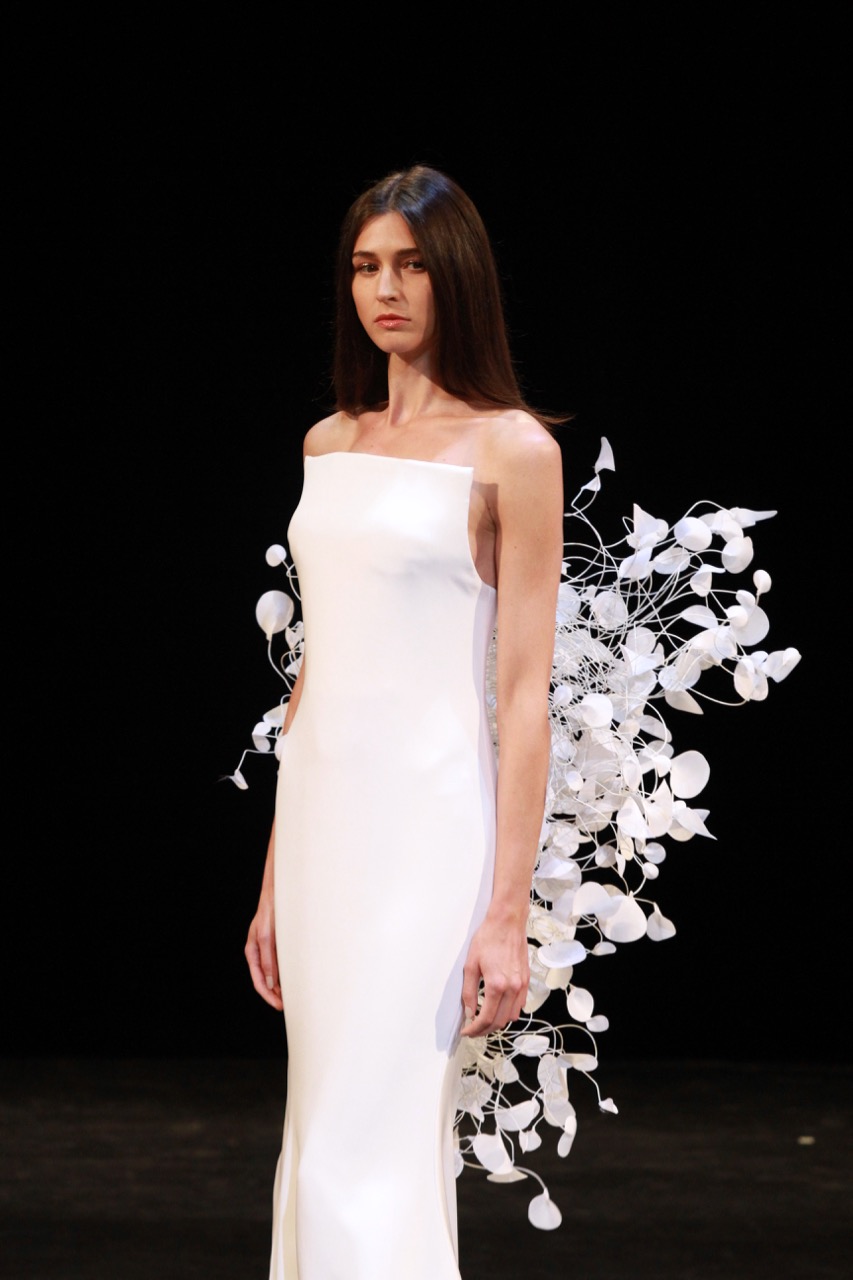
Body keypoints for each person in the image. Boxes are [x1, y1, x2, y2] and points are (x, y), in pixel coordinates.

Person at [244, 164, 565, 1279]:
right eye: (366, 266)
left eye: (413, 265)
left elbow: (522, 695)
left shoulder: (513, 450)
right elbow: (315, 671)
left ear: (456, 275)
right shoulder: (328, 445)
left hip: (425, 832)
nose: (385, 289)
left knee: (368, 1139)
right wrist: (273, 876)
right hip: (322, 827)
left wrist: (506, 914)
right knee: (319, 1131)